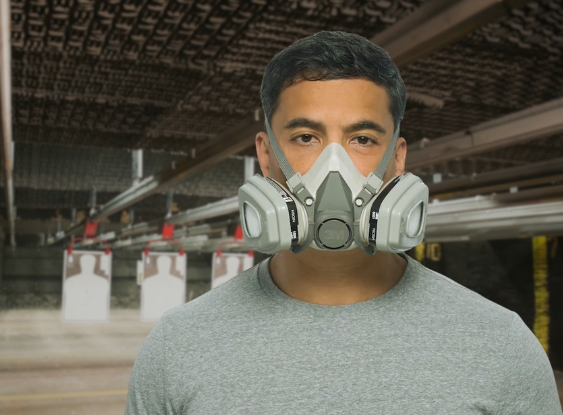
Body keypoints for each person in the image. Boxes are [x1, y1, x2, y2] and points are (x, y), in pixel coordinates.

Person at [125, 31, 562, 414]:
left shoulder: (499, 343)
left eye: (362, 139)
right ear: (264, 154)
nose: (334, 167)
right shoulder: (179, 345)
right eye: (305, 137)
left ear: (397, 158)